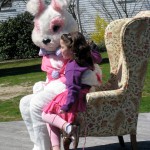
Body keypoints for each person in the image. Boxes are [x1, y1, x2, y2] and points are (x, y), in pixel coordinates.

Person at [42, 31, 98, 150]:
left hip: (74, 99)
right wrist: (92, 49)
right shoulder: (86, 59)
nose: (60, 50)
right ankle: (56, 147)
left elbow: (73, 89)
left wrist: (67, 106)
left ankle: (68, 127)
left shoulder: (72, 67)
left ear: (72, 49)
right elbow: (98, 57)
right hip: (85, 94)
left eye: (62, 47)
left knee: (46, 114)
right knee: (52, 120)